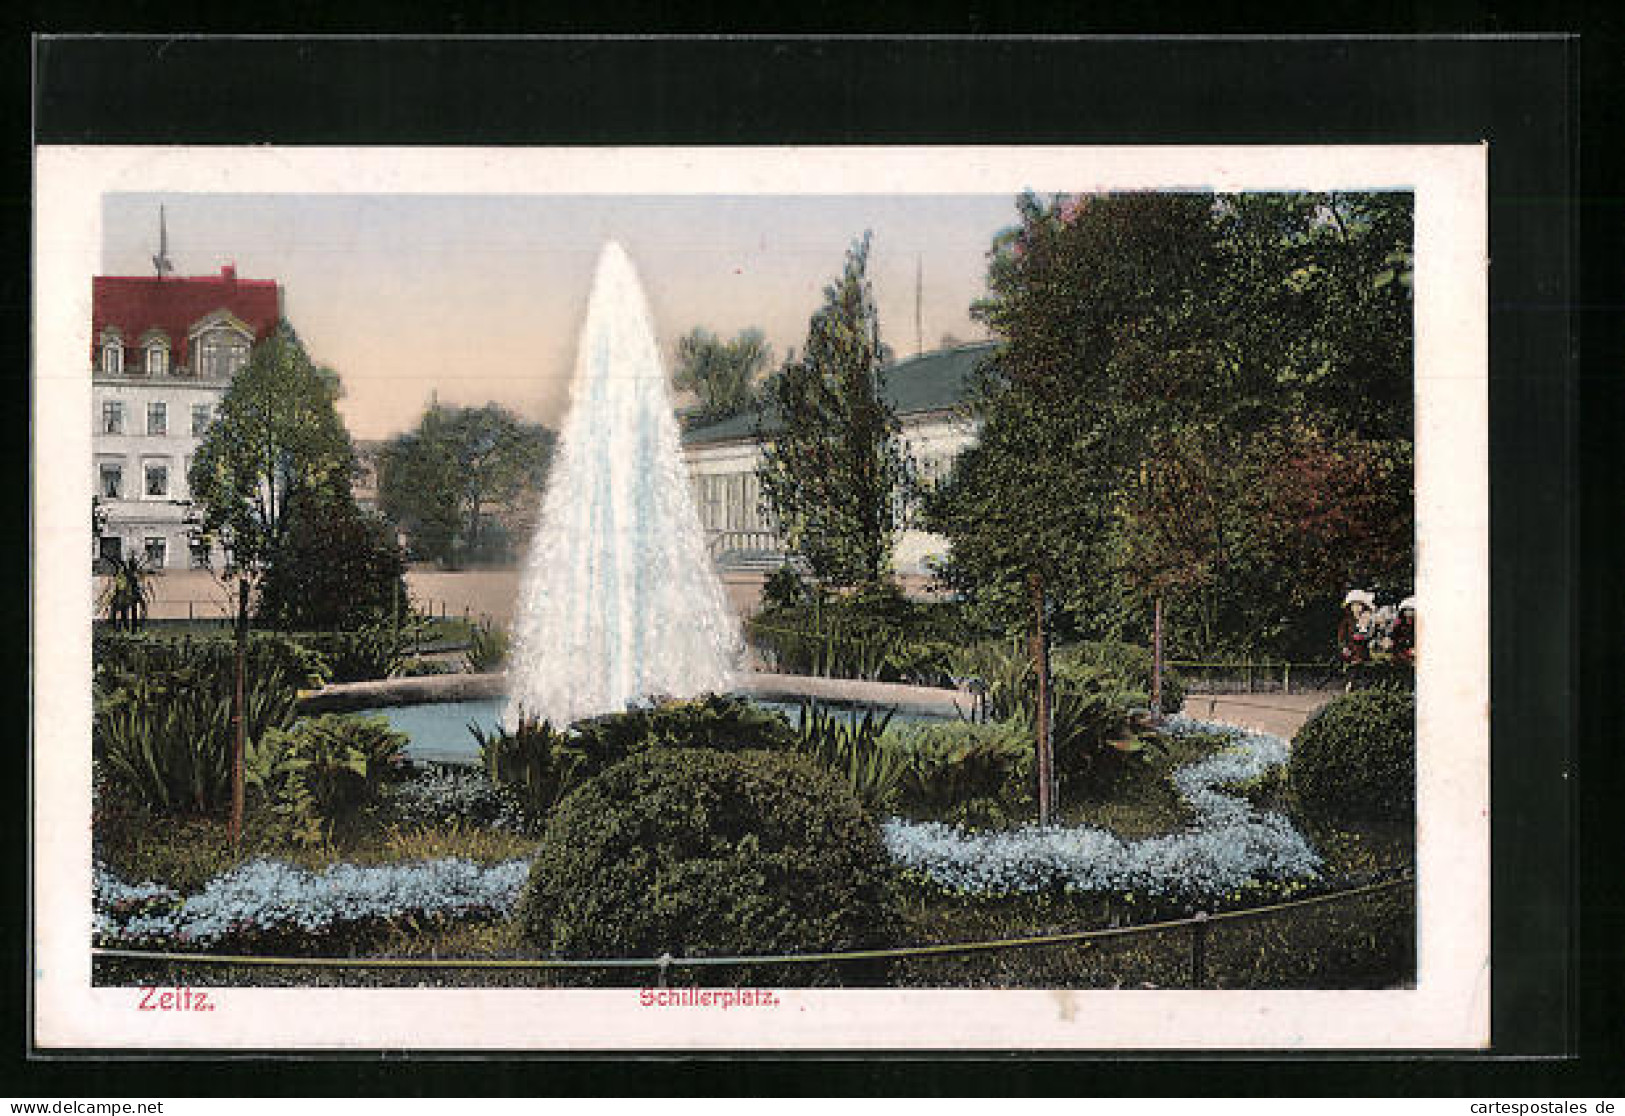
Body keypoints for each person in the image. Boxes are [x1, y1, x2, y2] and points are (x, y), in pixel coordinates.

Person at [1390, 595, 1417, 665]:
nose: (1408, 612)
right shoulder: (1399, 622)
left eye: (1411, 610)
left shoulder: (1417, 622)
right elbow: (1394, 634)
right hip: (1401, 645)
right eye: (1406, 610)